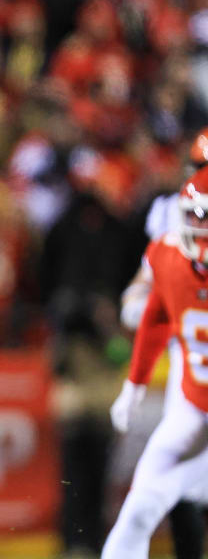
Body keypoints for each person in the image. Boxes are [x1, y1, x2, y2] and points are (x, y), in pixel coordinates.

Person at [103, 167, 208, 559]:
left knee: (170, 486)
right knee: (140, 505)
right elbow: (154, 316)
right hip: (194, 401)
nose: (198, 226)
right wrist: (134, 385)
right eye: (194, 214)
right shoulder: (167, 253)